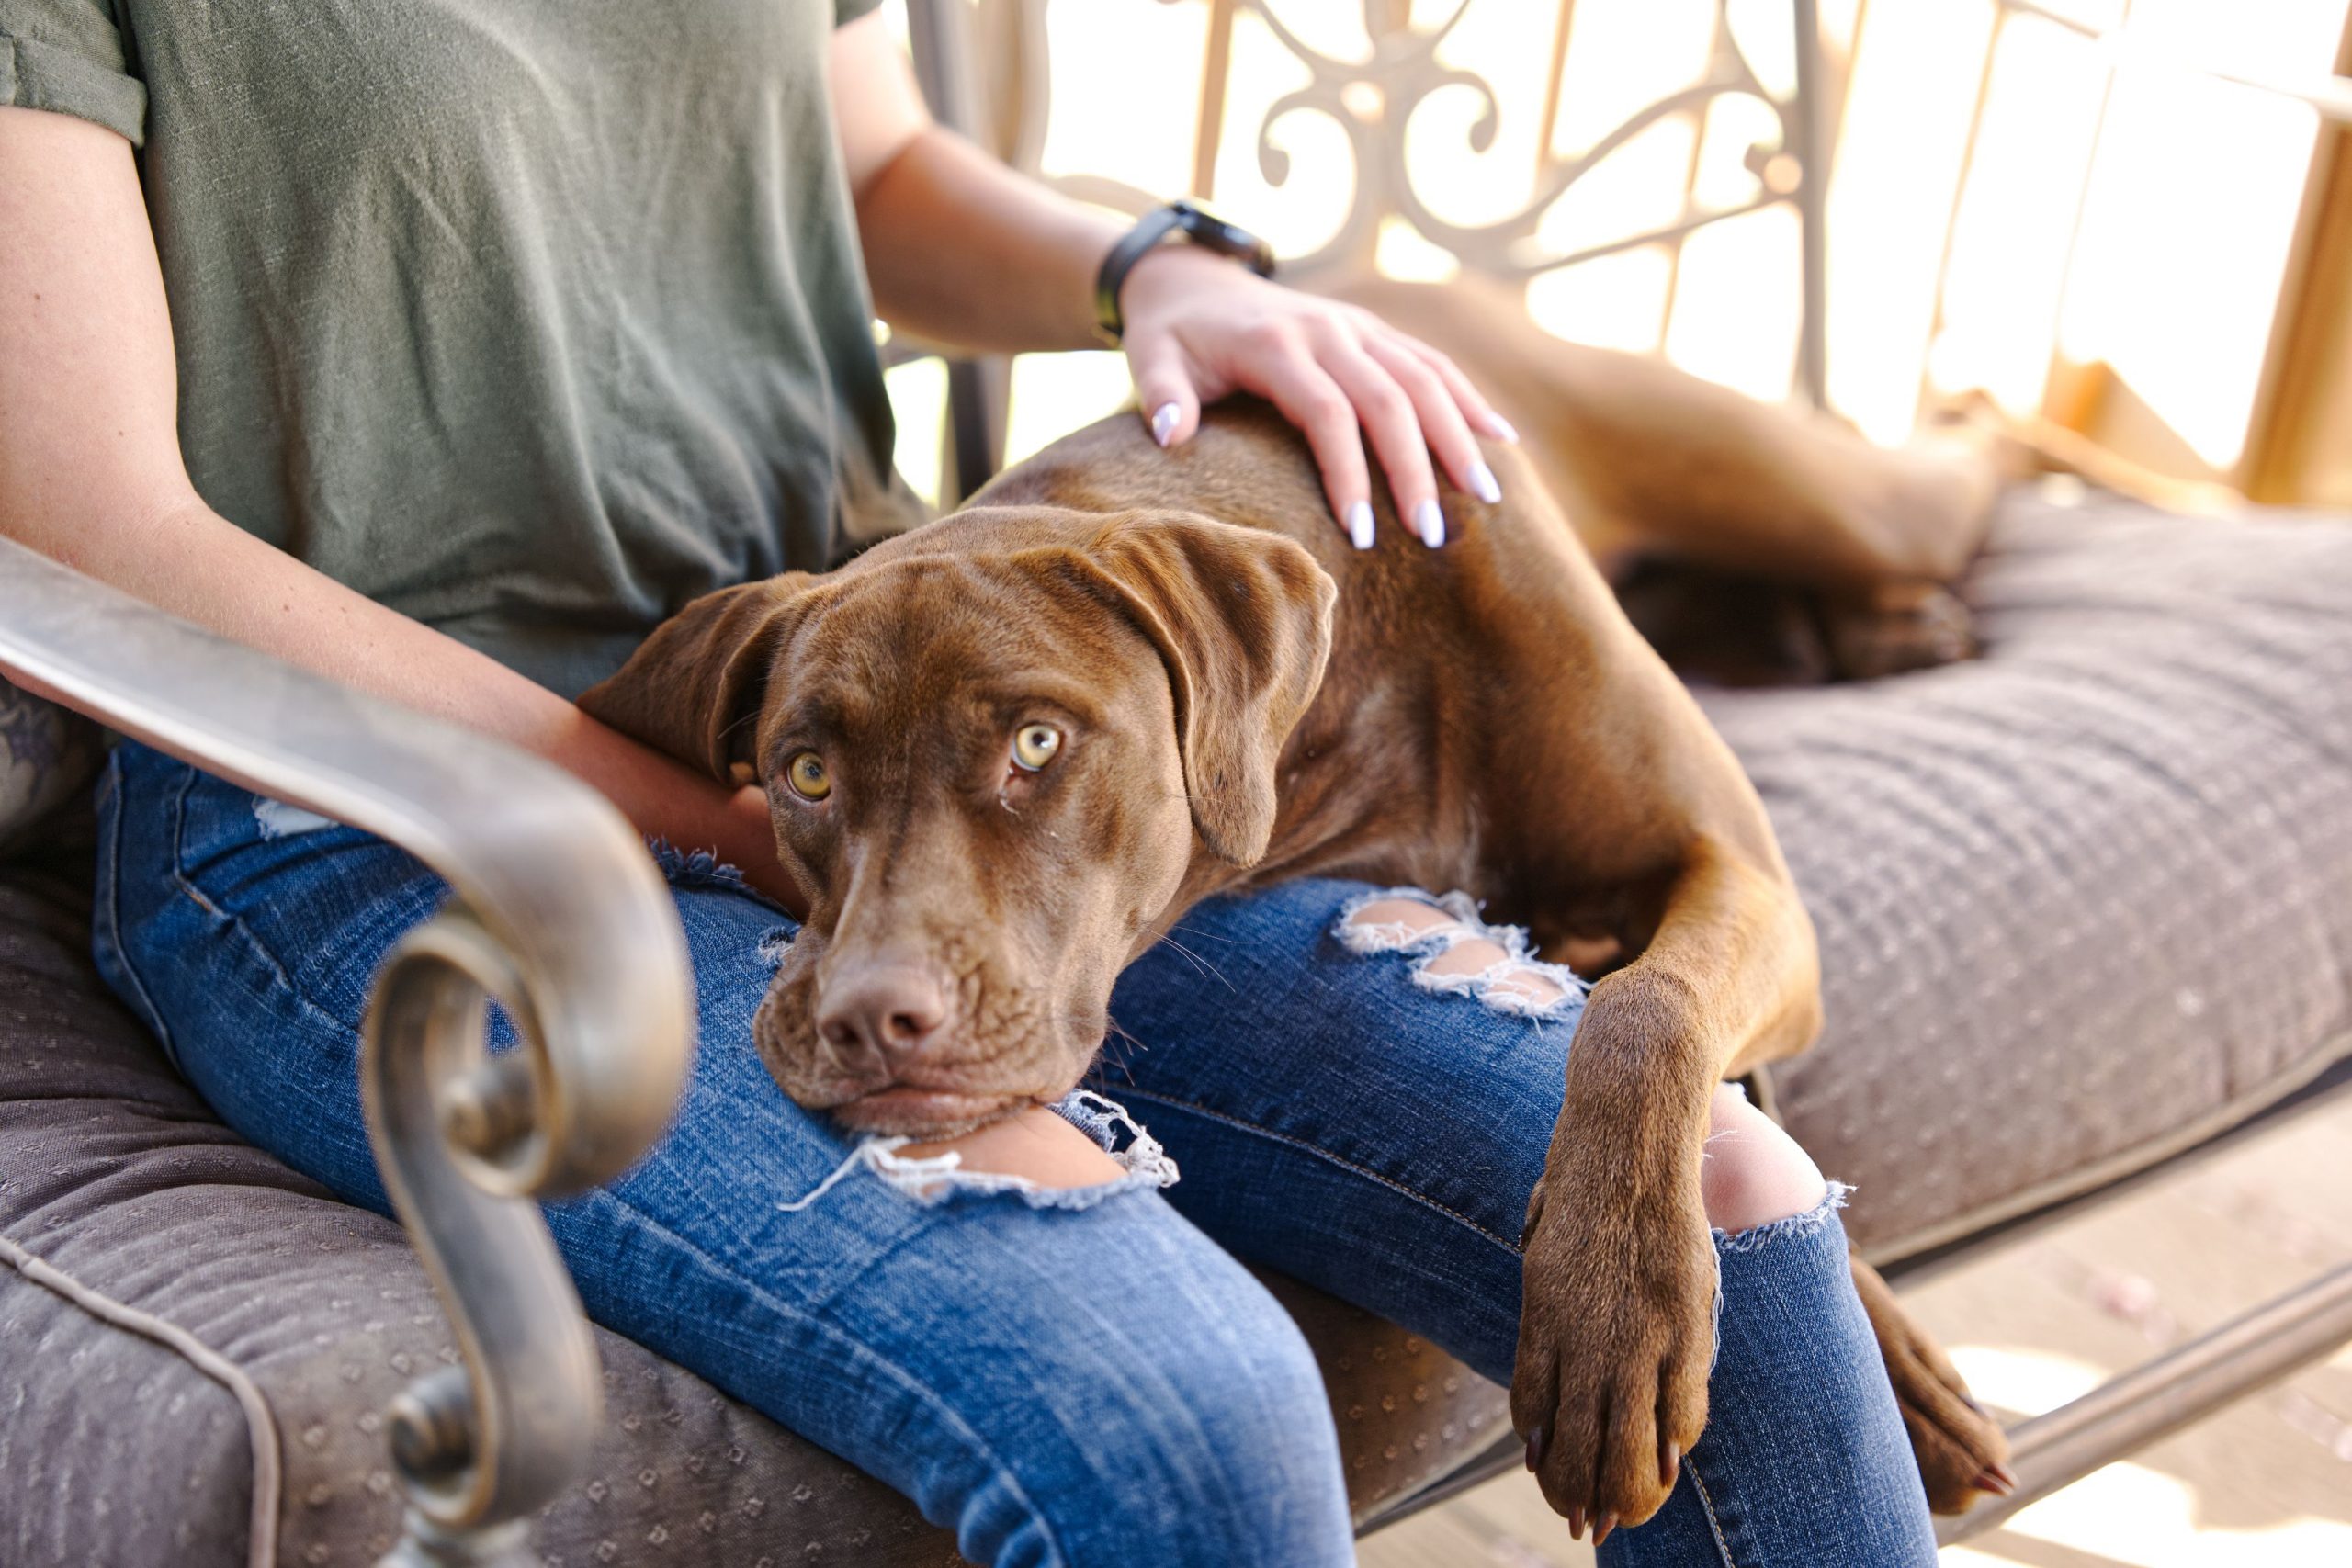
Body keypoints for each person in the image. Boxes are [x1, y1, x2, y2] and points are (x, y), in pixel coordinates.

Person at [0, 2, 1938, 1562]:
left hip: (858, 743)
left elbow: (876, 166)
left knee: (1723, 1199)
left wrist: (1155, 268)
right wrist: (728, 819)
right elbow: (93, 523)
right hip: (372, 807)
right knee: (1176, 1401)